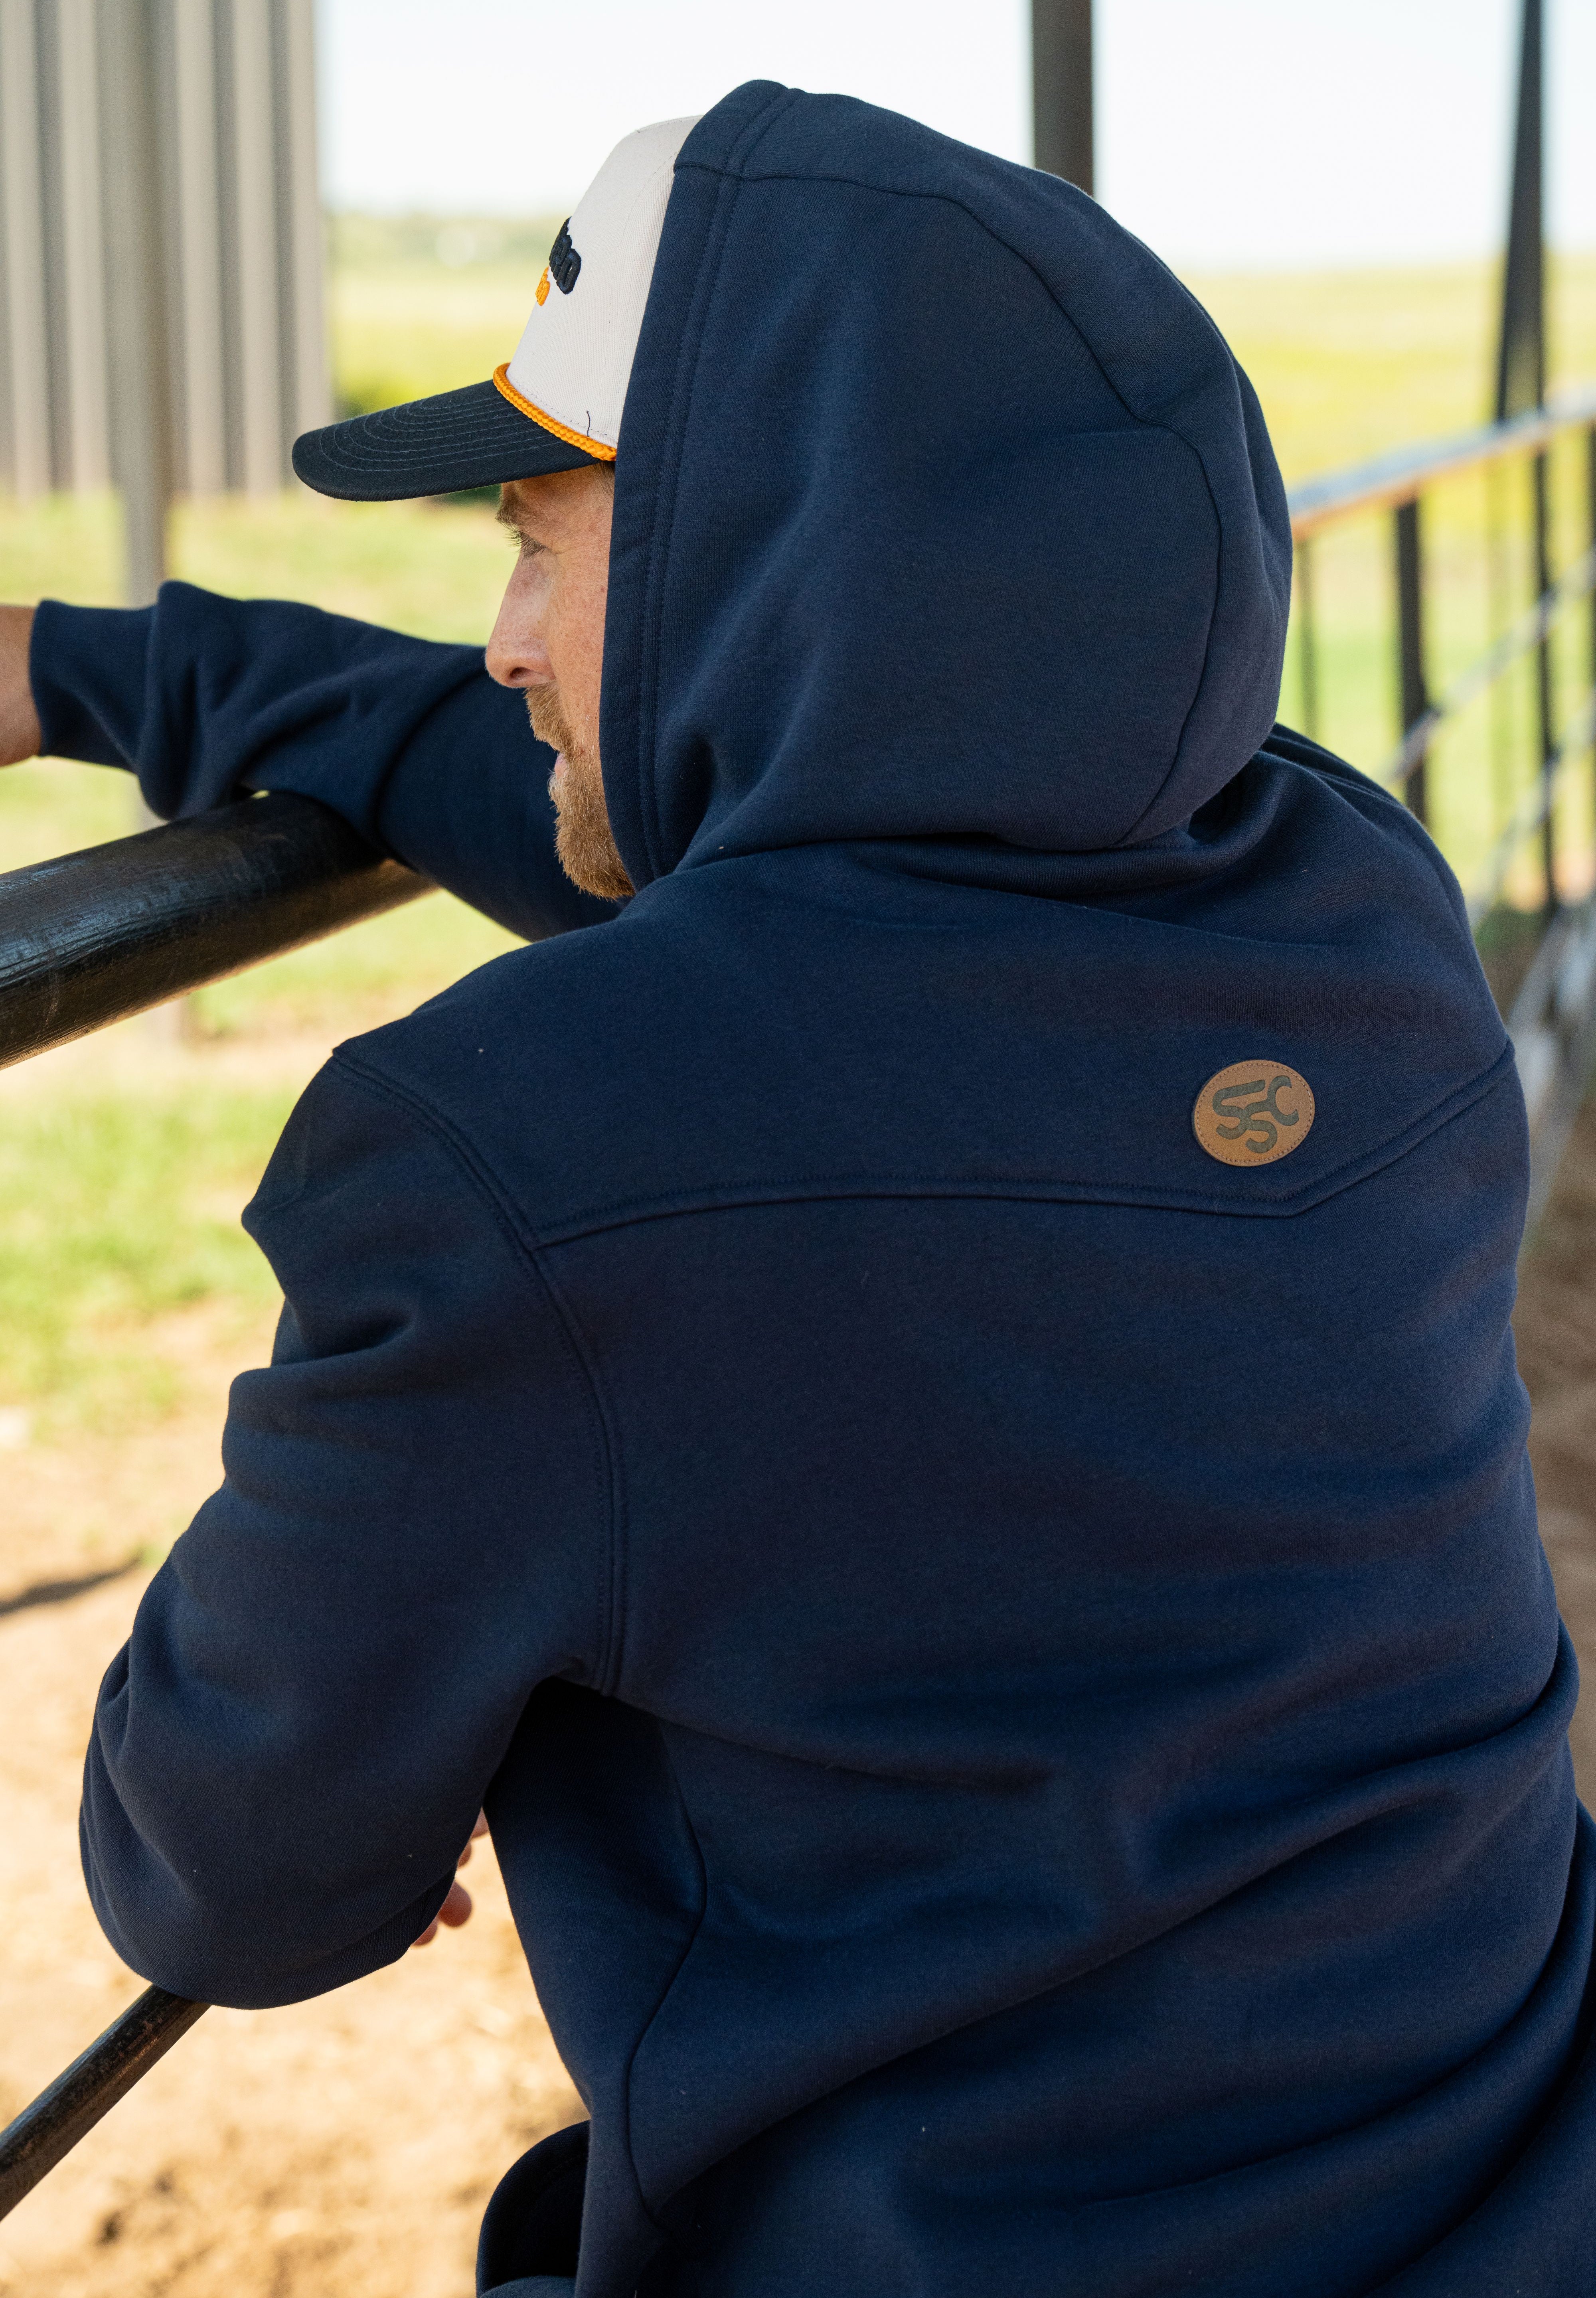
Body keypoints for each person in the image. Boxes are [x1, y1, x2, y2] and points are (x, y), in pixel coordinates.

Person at [1, 80, 1592, 2298]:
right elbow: (740, 828)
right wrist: (98, 669)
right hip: (1513, 2183)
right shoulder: (1357, 905)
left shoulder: (519, 1168)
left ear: (755, 581)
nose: (505, 645)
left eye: (542, 544)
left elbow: (222, 1883)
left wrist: (400, 1681)